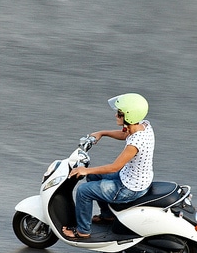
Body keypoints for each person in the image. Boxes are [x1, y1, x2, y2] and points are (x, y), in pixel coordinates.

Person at [62, 93, 155, 240]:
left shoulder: (135, 144)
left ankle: (82, 231)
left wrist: (84, 170)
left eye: (119, 113)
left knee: (83, 191)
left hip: (129, 188)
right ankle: (107, 216)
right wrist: (102, 133)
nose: (116, 115)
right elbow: (125, 135)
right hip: (131, 176)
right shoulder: (143, 126)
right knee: (93, 176)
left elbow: (114, 167)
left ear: (129, 116)